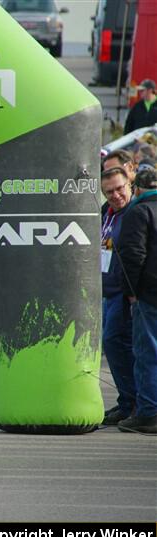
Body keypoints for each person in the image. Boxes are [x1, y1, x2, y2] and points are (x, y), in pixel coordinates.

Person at [116, 167, 157, 433]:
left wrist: (130, 291)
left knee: (148, 353)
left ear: (137, 189)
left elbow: (132, 255)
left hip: (149, 294)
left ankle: (149, 413)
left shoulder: (139, 211)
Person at [99, 167, 136, 426]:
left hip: (128, 294)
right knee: (113, 345)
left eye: (119, 188)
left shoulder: (135, 213)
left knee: (116, 342)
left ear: (130, 184)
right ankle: (127, 401)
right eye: (109, 191)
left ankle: (133, 402)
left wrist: (133, 292)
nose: (116, 195)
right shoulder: (107, 213)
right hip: (108, 290)